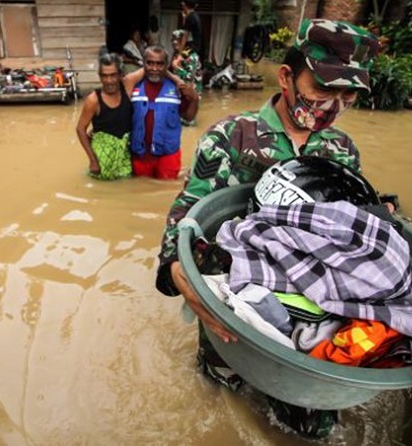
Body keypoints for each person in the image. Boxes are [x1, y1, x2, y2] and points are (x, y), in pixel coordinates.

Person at [155, 16, 379, 400]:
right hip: (238, 291)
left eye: (349, 94)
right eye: (324, 87)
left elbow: (353, 226)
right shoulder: (232, 136)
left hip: (310, 299)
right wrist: (174, 264)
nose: (334, 105)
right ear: (286, 77)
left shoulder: (340, 150)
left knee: (308, 413)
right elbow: (189, 211)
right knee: (220, 390)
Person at [122, 45, 199, 180]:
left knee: (166, 191)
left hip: (168, 156)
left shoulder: (177, 88)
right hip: (140, 156)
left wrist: (194, 99)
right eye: (150, 63)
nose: (154, 68)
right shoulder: (134, 86)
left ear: (166, 65)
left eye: (159, 64)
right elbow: (118, 113)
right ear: (143, 64)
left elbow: (188, 117)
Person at [75, 53, 133, 180]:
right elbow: (80, 129)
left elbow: (150, 68)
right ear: (100, 77)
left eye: (113, 75)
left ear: (120, 75)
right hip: (103, 157)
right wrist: (93, 160)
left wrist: (176, 79)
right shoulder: (93, 100)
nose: (109, 81)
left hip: (127, 154)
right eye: (104, 76)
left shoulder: (127, 87)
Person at [170, 29, 202, 126]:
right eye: (173, 40)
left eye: (178, 40)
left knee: (189, 122)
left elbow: (189, 77)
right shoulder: (177, 54)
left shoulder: (192, 56)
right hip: (180, 92)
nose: (174, 42)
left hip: (191, 91)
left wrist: (176, 67)